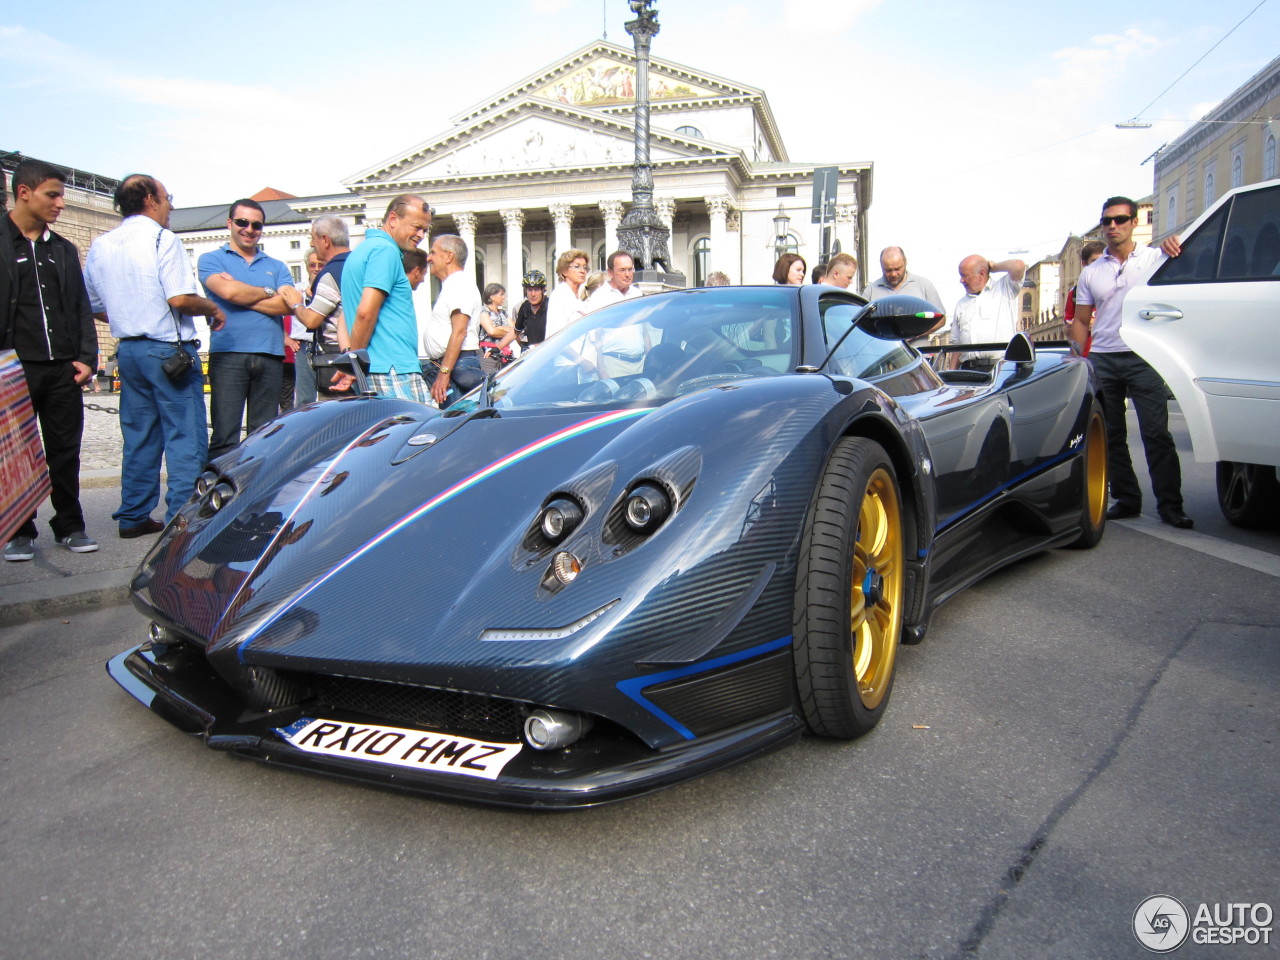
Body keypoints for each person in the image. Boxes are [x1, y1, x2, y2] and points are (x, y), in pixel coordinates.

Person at [83, 173, 226, 537]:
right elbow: (179, 298)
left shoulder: (102, 245)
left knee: (140, 435)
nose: (171, 205)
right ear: (149, 198)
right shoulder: (162, 238)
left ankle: (133, 515)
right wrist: (212, 308)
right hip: (168, 351)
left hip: (128, 349)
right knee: (185, 436)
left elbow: (98, 307)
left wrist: (133, 314)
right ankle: (182, 520)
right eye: (167, 197)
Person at [1070, 196, 1191, 528]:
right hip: (1104, 358)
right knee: (1110, 435)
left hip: (1144, 356)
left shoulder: (1157, 258)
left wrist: (1177, 242)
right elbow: (1081, 320)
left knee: (1156, 434)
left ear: (1134, 222)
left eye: (1120, 219)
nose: (1113, 226)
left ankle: (1171, 504)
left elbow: (1190, 262)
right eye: (1107, 220)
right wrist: (1078, 357)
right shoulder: (1091, 272)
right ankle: (1127, 498)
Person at [1, 159, 99, 560]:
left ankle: (70, 525)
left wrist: (87, 357)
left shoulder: (62, 248)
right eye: (53, 195)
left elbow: (80, 306)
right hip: (13, 367)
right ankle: (20, 530)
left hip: (62, 367)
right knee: (16, 453)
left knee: (65, 449)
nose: (61, 203)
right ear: (25, 192)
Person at [198, 199, 300, 458]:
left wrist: (239, 294)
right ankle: (220, 495)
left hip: (270, 355)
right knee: (224, 435)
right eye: (242, 222)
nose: (249, 229)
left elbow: (288, 305)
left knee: (263, 436)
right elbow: (228, 291)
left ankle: (256, 494)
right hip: (229, 353)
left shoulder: (276, 265)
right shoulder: (211, 259)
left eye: (256, 224)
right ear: (230, 223)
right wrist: (268, 292)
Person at [341, 194, 433, 402]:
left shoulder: (363, 250)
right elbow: (365, 313)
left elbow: (346, 316)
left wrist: (351, 362)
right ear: (393, 219)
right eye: (416, 227)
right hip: (393, 370)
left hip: (382, 368)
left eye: (425, 230)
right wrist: (354, 364)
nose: (421, 235)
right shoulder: (385, 250)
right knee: (422, 433)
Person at [291, 215, 353, 399]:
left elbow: (312, 319)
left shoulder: (331, 273)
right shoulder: (360, 264)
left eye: (313, 238)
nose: (312, 243)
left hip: (335, 354)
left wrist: (295, 303)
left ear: (325, 239)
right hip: (361, 350)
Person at [419, 234, 484, 406]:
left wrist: (444, 372)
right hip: (454, 365)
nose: (429, 257)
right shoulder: (453, 285)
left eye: (433, 252)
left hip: (457, 366)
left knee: (458, 422)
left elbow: (460, 330)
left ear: (449, 256)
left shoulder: (459, 284)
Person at [951, 255, 1026, 370]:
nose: (961, 280)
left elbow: (1018, 265)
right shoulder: (961, 304)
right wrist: (951, 374)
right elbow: (956, 345)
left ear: (981, 274)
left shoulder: (1004, 289)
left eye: (965, 276)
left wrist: (994, 267)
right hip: (969, 371)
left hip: (999, 368)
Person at [862, 246, 946, 345]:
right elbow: (861, 325)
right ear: (881, 265)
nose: (893, 274)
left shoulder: (923, 285)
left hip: (919, 354)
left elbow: (941, 319)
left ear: (905, 262)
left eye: (897, 269)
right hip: (885, 358)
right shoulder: (871, 291)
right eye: (888, 270)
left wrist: (915, 334)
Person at [586, 251, 647, 377]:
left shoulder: (637, 294)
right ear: (610, 272)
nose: (627, 275)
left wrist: (651, 358)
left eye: (630, 269)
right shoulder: (600, 297)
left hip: (641, 363)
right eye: (622, 270)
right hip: (614, 365)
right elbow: (595, 336)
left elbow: (644, 330)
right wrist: (601, 370)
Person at [291, 246, 324, 406]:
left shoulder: (330, 287)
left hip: (326, 346)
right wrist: (286, 338)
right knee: (304, 399)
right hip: (304, 346)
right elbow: (278, 313)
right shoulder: (297, 289)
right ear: (306, 267)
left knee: (330, 398)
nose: (316, 269)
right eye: (312, 265)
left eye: (320, 264)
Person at [1063, 241, 1105, 354]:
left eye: (1103, 261)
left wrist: (1095, 323)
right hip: (1086, 355)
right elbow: (1068, 327)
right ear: (1084, 264)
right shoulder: (1075, 293)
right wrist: (1076, 326)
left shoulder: (1117, 287)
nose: (1099, 266)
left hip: (1110, 355)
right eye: (1094, 261)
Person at [545, 248, 590, 339]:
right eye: (577, 266)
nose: (582, 271)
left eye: (584, 267)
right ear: (564, 271)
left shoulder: (579, 296)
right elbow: (557, 334)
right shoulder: (560, 295)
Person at [477, 283, 518, 373]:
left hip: (504, 353)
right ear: (491, 296)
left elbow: (516, 330)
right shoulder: (483, 310)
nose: (503, 298)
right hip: (488, 354)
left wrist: (499, 328)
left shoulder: (503, 313)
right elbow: (491, 331)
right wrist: (508, 331)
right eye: (501, 295)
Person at [514, 270, 549, 346]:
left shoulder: (551, 306)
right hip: (534, 355)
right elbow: (515, 332)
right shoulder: (525, 307)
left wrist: (532, 348)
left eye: (536, 290)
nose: (533, 294)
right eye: (530, 290)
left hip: (551, 353)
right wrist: (498, 347)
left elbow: (558, 336)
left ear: (543, 290)